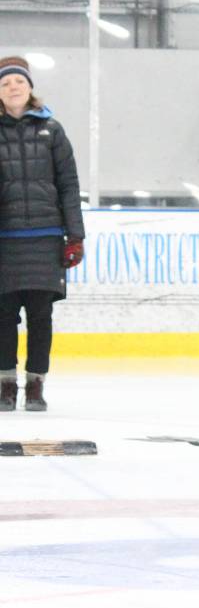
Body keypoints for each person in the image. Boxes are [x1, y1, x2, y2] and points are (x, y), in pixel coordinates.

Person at [0, 56, 85, 411]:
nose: (13, 87)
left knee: (40, 317)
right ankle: (6, 384)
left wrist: (75, 236)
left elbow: (68, 184)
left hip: (45, 237)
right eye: (5, 83)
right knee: (3, 317)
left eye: (18, 81)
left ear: (30, 87)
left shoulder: (52, 130)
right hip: (4, 241)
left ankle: (36, 385)